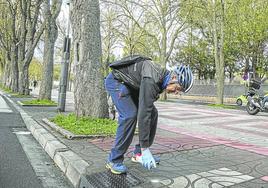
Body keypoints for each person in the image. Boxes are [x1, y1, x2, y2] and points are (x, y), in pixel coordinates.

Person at [105, 55, 193, 174]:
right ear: (173, 77)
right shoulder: (152, 79)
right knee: (130, 115)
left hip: (131, 86)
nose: (176, 93)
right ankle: (114, 159)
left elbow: (147, 109)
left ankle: (138, 153)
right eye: (178, 88)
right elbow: (144, 113)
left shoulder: (162, 79)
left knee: (153, 113)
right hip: (117, 82)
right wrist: (145, 148)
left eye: (180, 92)